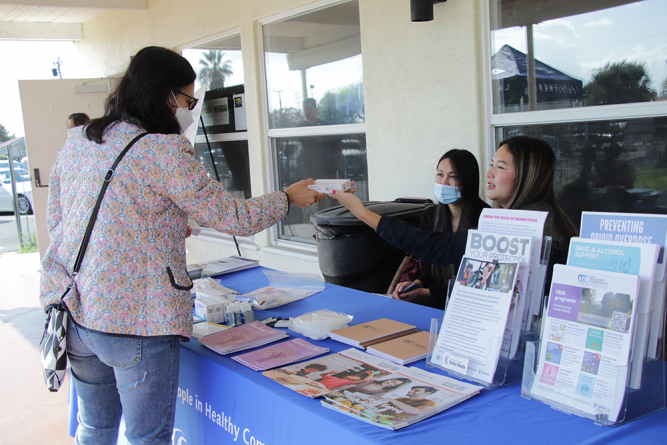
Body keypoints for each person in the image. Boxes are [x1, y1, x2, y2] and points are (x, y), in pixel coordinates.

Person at [39, 46, 324, 445]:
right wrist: (287, 198)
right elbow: (233, 218)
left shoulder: (81, 140)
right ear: (167, 95)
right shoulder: (164, 150)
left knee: (95, 429)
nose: (189, 109)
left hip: (76, 310)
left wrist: (158, 231)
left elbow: (61, 220)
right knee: (147, 438)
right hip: (137, 319)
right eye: (188, 100)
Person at [328, 136, 578, 294]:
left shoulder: (521, 225)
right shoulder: (539, 216)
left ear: (526, 177)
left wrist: (360, 212)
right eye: (491, 164)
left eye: (500, 167)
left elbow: (437, 248)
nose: (489, 173)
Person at [391, 149, 490, 309]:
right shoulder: (430, 216)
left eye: (453, 176)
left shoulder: (486, 218)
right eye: (440, 175)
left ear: (469, 181)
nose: (444, 183)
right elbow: (429, 266)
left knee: (414, 304)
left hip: (470, 303)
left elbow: (477, 283)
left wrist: (427, 292)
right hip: (435, 296)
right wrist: (418, 283)